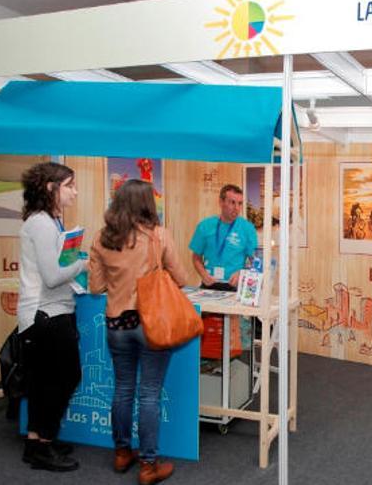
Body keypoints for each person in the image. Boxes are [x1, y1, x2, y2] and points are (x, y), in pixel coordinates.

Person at [89, 180, 187, 485]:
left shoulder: (102, 238)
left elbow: (95, 287)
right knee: (148, 394)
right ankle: (148, 465)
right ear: (147, 203)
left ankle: (121, 453)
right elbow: (182, 278)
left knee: (123, 389)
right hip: (151, 324)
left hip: (116, 324)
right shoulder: (158, 236)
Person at [17, 162, 86, 472]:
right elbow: (52, 275)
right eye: (69, 185)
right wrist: (82, 263)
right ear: (50, 187)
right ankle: (43, 444)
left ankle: (38, 442)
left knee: (46, 381)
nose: (74, 191)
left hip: (53, 312)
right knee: (62, 378)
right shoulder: (42, 224)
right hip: (45, 315)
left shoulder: (50, 222)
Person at [189, 184, 257, 291]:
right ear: (221, 202)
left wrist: (242, 273)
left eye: (240, 203)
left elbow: (255, 261)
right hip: (209, 286)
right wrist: (203, 274)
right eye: (232, 203)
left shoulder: (248, 228)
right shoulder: (205, 226)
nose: (237, 208)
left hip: (235, 287)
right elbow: (196, 257)